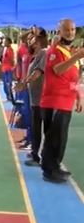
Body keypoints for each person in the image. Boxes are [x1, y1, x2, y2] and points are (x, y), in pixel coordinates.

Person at [39, 19, 84, 183]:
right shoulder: (54, 51)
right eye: (67, 30)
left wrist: (78, 96)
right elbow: (58, 70)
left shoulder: (69, 52)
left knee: (60, 138)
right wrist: (77, 56)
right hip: (54, 101)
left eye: (72, 30)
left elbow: (73, 77)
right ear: (60, 31)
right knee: (54, 138)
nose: (70, 32)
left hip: (66, 101)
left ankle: (55, 166)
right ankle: (49, 170)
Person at [16, 33, 48, 166]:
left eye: (32, 40)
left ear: (39, 42)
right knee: (35, 126)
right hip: (35, 97)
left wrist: (24, 83)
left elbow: (37, 73)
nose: (29, 42)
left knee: (41, 127)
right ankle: (35, 152)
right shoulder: (36, 56)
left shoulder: (44, 54)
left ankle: (39, 156)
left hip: (41, 98)